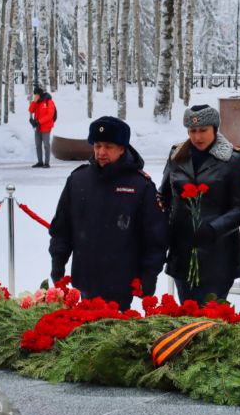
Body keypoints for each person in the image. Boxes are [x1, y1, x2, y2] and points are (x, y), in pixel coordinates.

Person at [49, 117, 167, 309]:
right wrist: (58, 262)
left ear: (122, 148)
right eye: (97, 145)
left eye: (109, 146)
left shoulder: (140, 186)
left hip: (121, 283)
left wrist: (149, 275)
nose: (101, 152)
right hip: (84, 280)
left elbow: (155, 237)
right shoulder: (78, 180)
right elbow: (62, 228)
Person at [159, 105, 240, 303]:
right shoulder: (177, 155)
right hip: (182, 253)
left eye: (203, 131)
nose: (197, 137)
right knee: (187, 316)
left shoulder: (233, 159)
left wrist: (212, 229)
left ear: (215, 129)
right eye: (192, 131)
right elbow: (164, 196)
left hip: (218, 254)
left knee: (212, 320)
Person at [29, 87, 57, 168]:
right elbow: (31, 110)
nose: (35, 96)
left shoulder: (49, 101)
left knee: (46, 145)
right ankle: (40, 162)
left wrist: (39, 122)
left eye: (37, 95)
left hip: (46, 126)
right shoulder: (37, 102)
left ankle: (47, 163)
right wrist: (34, 102)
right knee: (38, 144)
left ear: (40, 94)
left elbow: (50, 115)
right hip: (37, 127)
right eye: (35, 95)